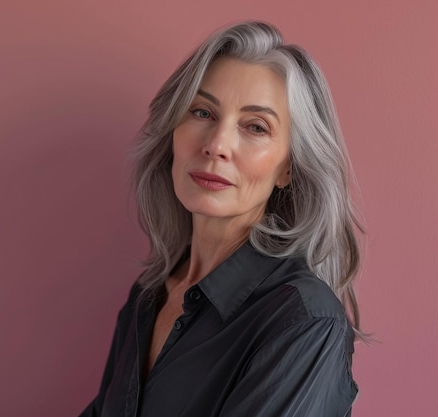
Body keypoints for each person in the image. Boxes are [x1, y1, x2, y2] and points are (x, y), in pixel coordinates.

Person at [79, 21, 365, 417]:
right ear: (173, 132)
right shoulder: (147, 296)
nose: (216, 145)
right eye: (202, 111)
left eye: (255, 127)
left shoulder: (305, 320)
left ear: (288, 168)